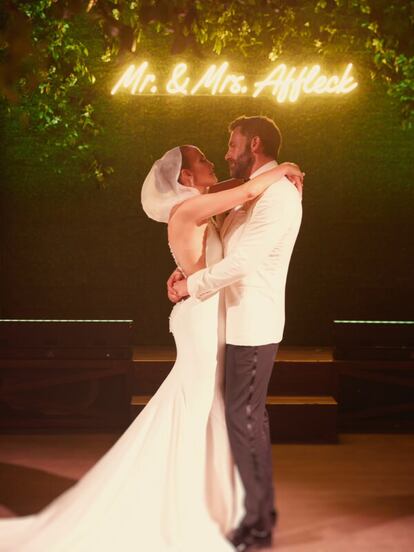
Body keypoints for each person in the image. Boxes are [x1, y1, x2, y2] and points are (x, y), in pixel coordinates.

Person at [0, 145, 303, 552]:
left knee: (209, 408)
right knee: (196, 409)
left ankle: (217, 506)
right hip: (201, 318)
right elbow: (248, 192)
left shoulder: (198, 204)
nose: (212, 161)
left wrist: (289, 167)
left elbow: (244, 184)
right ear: (185, 178)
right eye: (201, 161)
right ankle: (183, 506)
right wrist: (284, 166)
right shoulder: (188, 212)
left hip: (207, 311)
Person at [168, 116, 303, 551]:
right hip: (233, 319)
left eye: (231, 145)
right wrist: (188, 269)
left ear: (254, 144)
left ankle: (259, 525)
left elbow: (243, 263)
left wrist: (192, 285)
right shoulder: (258, 188)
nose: (226, 153)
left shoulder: (278, 195)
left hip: (252, 322)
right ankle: (261, 509)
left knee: (243, 418)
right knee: (247, 418)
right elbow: (221, 241)